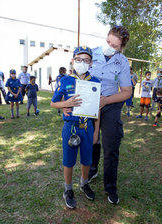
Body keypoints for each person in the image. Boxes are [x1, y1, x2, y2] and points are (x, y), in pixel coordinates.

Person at [51, 46, 99, 209]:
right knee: (69, 161)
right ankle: (68, 189)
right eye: (79, 59)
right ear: (73, 60)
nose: (82, 63)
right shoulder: (65, 80)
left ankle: (84, 183)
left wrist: (96, 132)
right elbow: (53, 102)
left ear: (91, 62)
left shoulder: (95, 82)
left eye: (86, 60)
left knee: (87, 159)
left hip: (87, 127)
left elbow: (97, 109)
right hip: (70, 127)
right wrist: (65, 104)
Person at [88, 26, 132, 204]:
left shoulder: (122, 62)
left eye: (114, 46)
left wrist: (106, 101)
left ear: (121, 48)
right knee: (91, 140)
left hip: (111, 104)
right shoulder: (91, 54)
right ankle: (92, 169)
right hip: (91, 102)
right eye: (108, 42)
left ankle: (111, 187)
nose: (109, 47)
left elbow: (127, 91)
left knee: (111, 144)